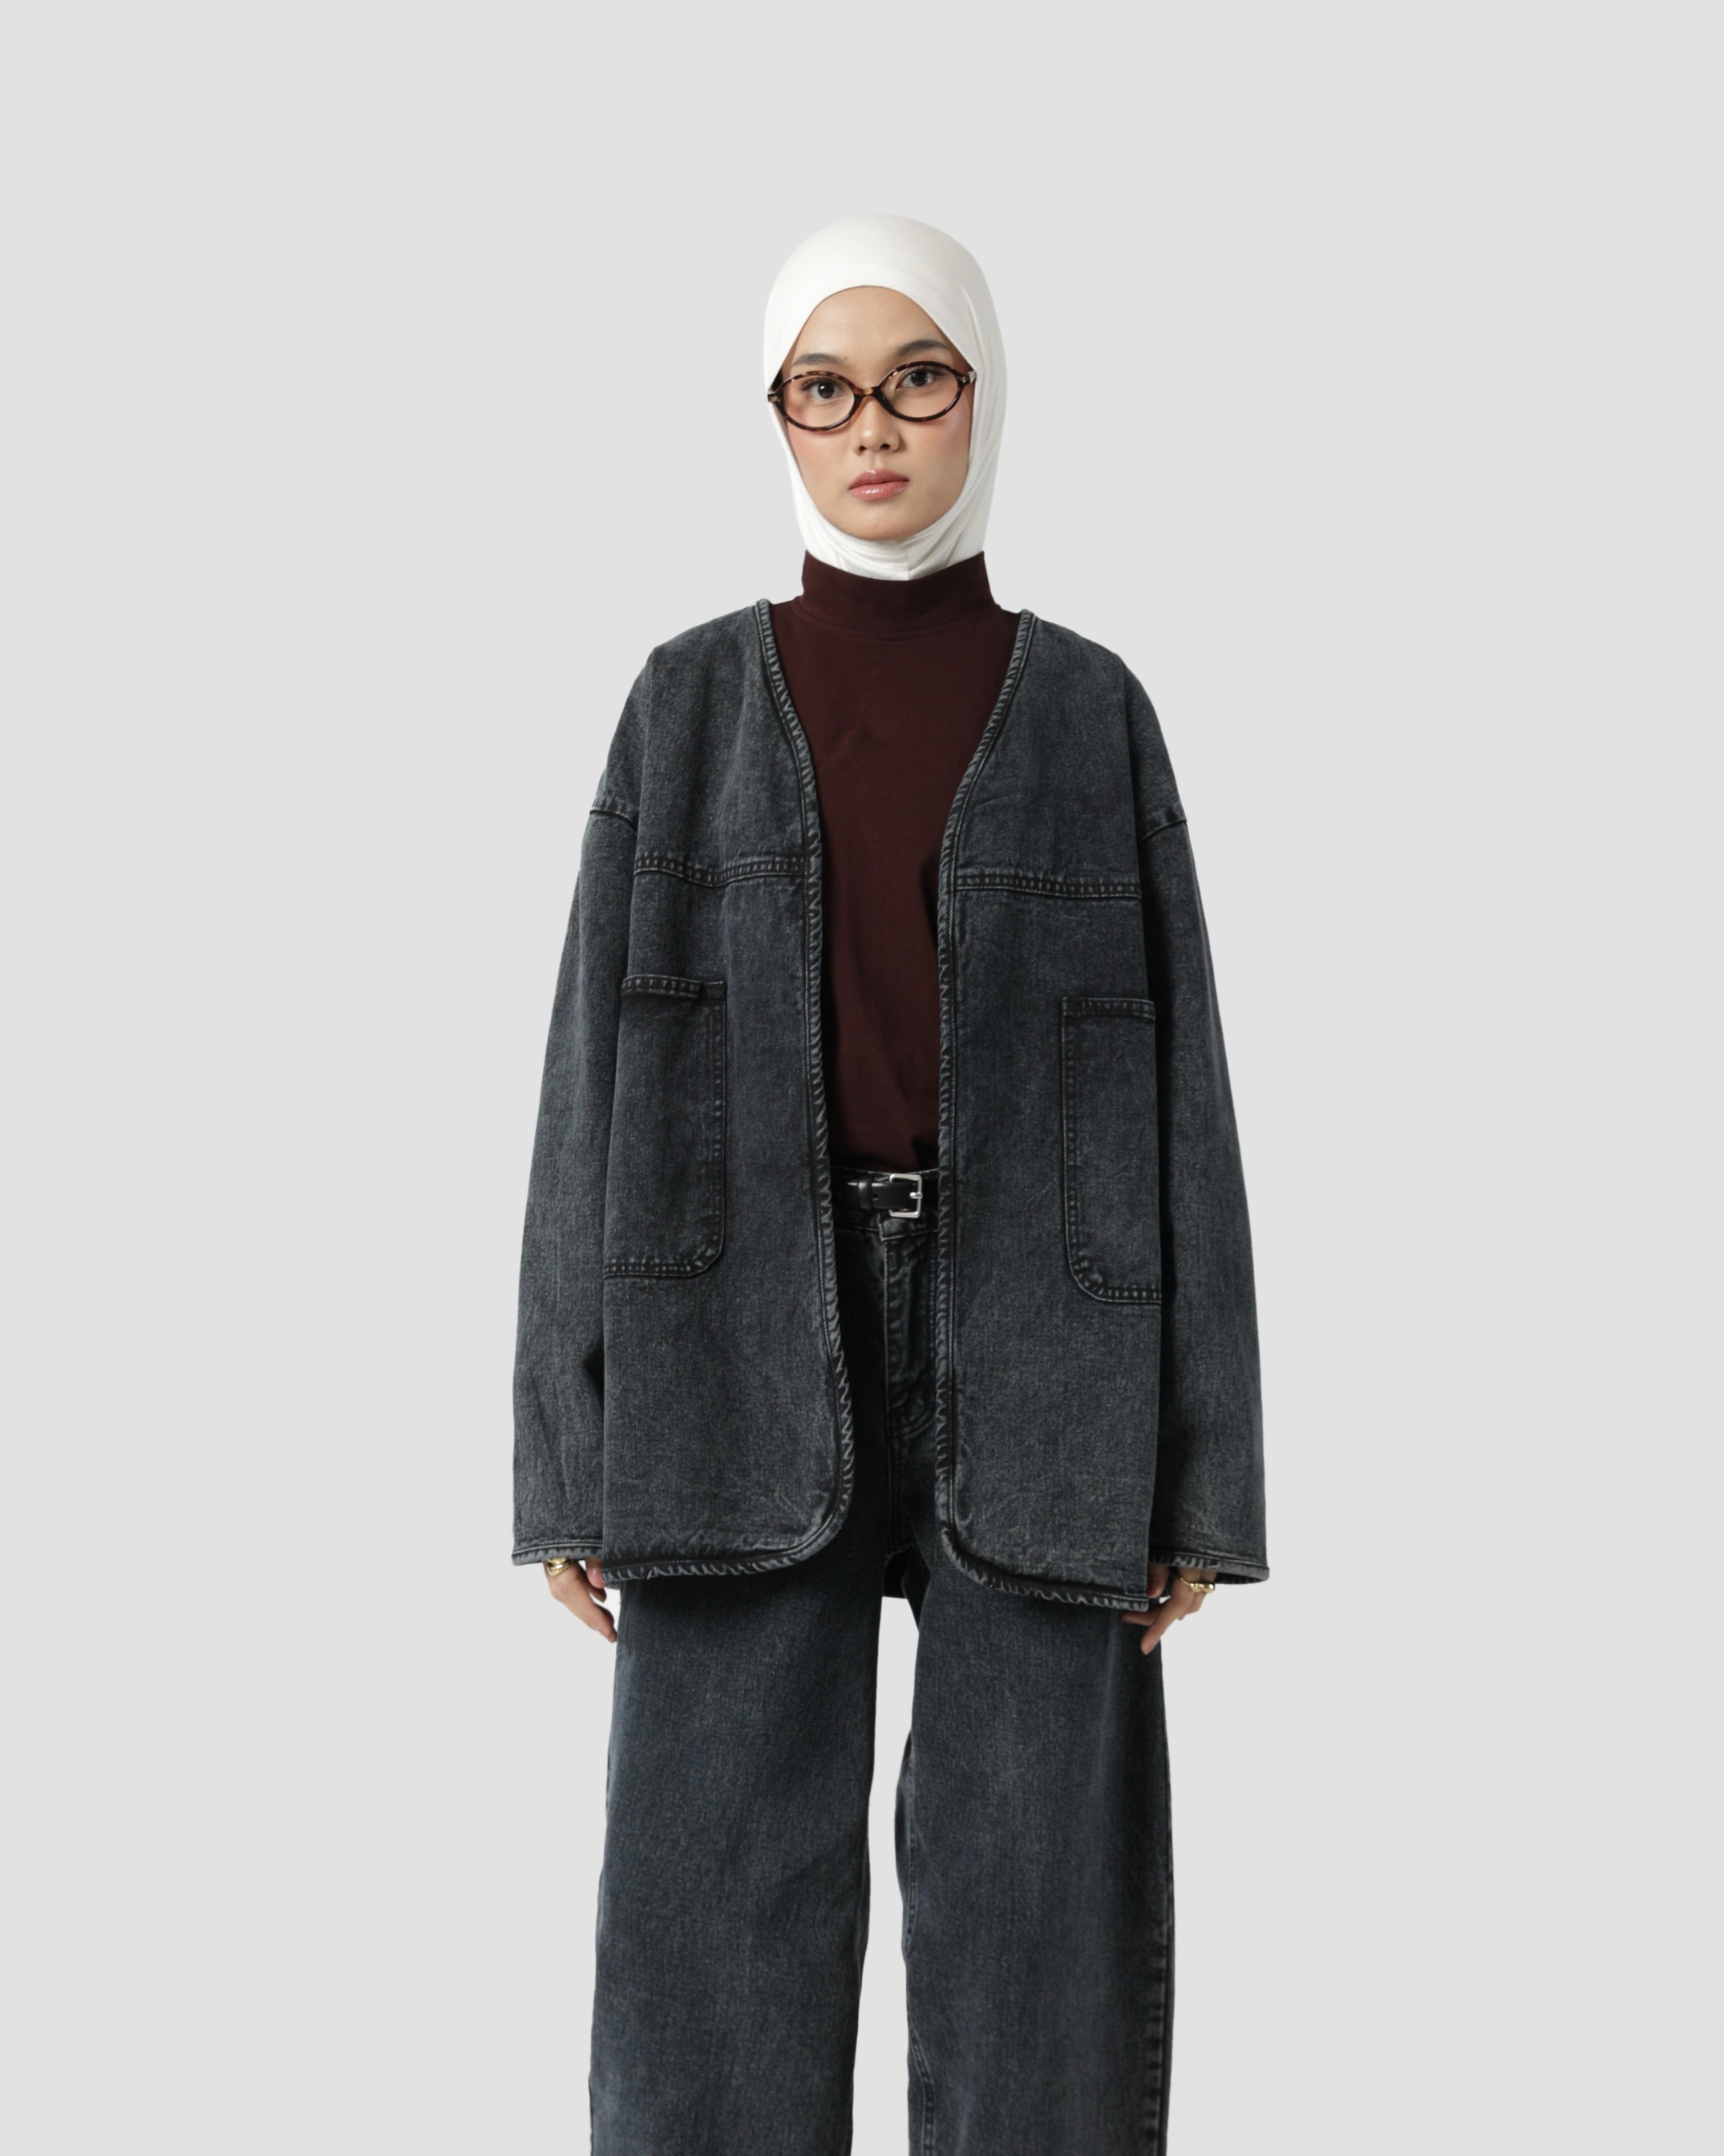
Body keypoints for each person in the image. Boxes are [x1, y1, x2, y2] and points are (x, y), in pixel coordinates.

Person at [512, 213, 1267, 2156]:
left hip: (1051, 1351)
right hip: (726, 1340)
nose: (873, 427)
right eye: (826, 389)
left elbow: (1182, 1094)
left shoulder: (1091, 711)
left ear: (979, 400)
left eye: (917, 380)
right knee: (710, 1922)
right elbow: (590, 1077)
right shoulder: (682, 705)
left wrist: (1201, 1475)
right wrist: (564, 1455)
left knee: (1039, 1926)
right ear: (776, 417)